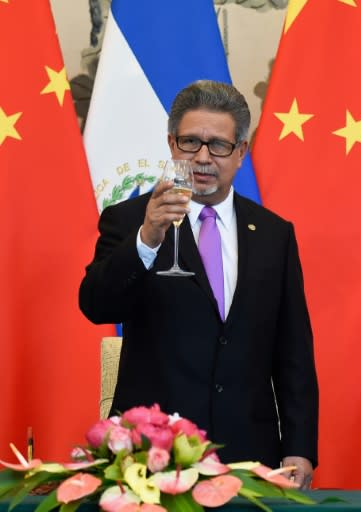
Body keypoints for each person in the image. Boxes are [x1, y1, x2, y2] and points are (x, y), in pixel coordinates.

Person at [79, 80, 318, 488]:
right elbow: (97, 306)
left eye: (219, 145)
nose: (203, 158)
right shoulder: (130, 219)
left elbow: (293, 349)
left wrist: (299, 445)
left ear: (241, 152)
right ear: (172, 144)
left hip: (248, 455)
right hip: (153, 455)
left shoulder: (274, 234)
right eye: (190, 142)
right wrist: (147, 239)